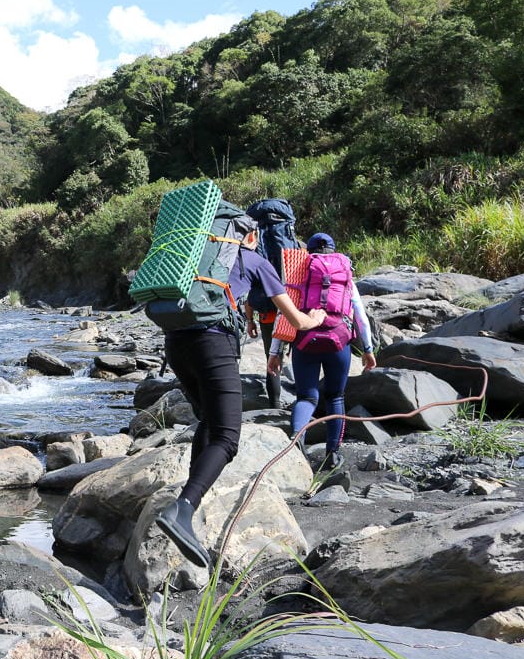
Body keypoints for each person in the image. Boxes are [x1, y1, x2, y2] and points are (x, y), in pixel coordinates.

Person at [154, 227, 326, 569]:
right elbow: (296, 320)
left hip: (175, 343)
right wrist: (316, 317)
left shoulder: (193, 260)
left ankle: (192, 499)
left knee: (207, 419)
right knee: (228, 438)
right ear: (246, 235)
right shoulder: (254, 259)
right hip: (213, 345)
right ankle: (183, 509)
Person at [266, 232, 376, 473]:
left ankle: (297, 441)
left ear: (310, 252)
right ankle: (332, 454)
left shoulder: (299, 271)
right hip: (338, 342)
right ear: (334, 250)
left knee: (306, 397)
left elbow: (284, 315)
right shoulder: (345, 274)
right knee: (335, 397)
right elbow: (360, 316)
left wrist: (275, 352)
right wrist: (367, 349)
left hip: (306, 340)